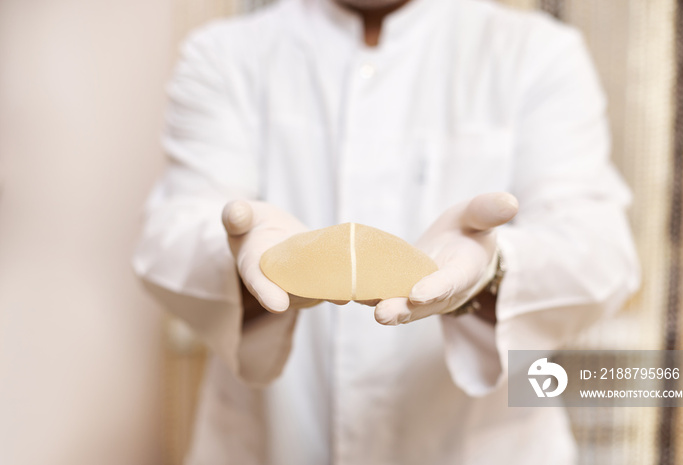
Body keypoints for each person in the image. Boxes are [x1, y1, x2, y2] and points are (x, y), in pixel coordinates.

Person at [133, 0, 640, 463]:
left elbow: (600, 255)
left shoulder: (536, 52)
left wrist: (491, 268)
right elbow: (170, 240)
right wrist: (244, 263)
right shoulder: (225, 54)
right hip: (270, 443)